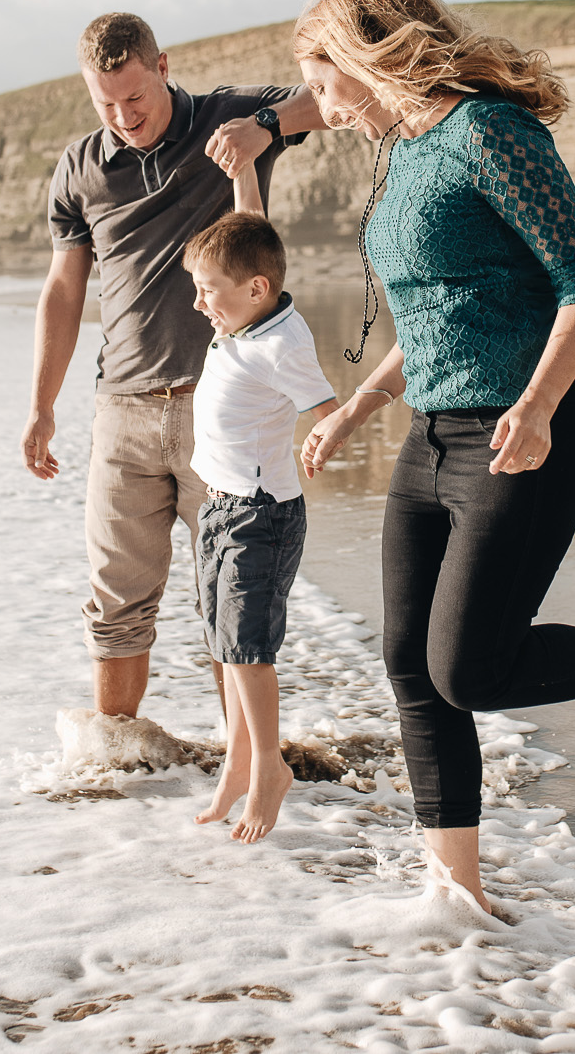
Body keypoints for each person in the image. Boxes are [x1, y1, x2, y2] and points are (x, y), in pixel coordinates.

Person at [284, 0, 575, 915]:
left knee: (467, 668)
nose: (319, 108)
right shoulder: (400, 154)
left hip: (528, 429)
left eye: (322, 84)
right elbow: (435, 316)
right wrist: (355, 407)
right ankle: (456, 894)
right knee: (411, 668)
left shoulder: (492, 133)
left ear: (366, 58)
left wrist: (539, 404)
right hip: (431, 435)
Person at [22, 12, 324, 719]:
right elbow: (64, 290)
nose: (125, 116)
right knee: (115, 603)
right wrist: (42, 403)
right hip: (119, 411)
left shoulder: (226, 115)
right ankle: (115, 762)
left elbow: (338, 96)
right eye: (106, 103)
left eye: (136, 97)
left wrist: (269, 127)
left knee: (228, 597)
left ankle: (245, 770)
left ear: (163, 67)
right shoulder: (80, 168)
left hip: (219, 407)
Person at [181, 208, 337, 842]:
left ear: (255, 288)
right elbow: (248, 221)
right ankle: (238, 763)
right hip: (219, 508)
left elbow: (326, 407)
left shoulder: (280, 343)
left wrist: (321, 438)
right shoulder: (244, 318)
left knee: (248, 650)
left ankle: (269, 768)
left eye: (207, 289)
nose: (198, 303)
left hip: (260, 515)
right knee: (224, 645)